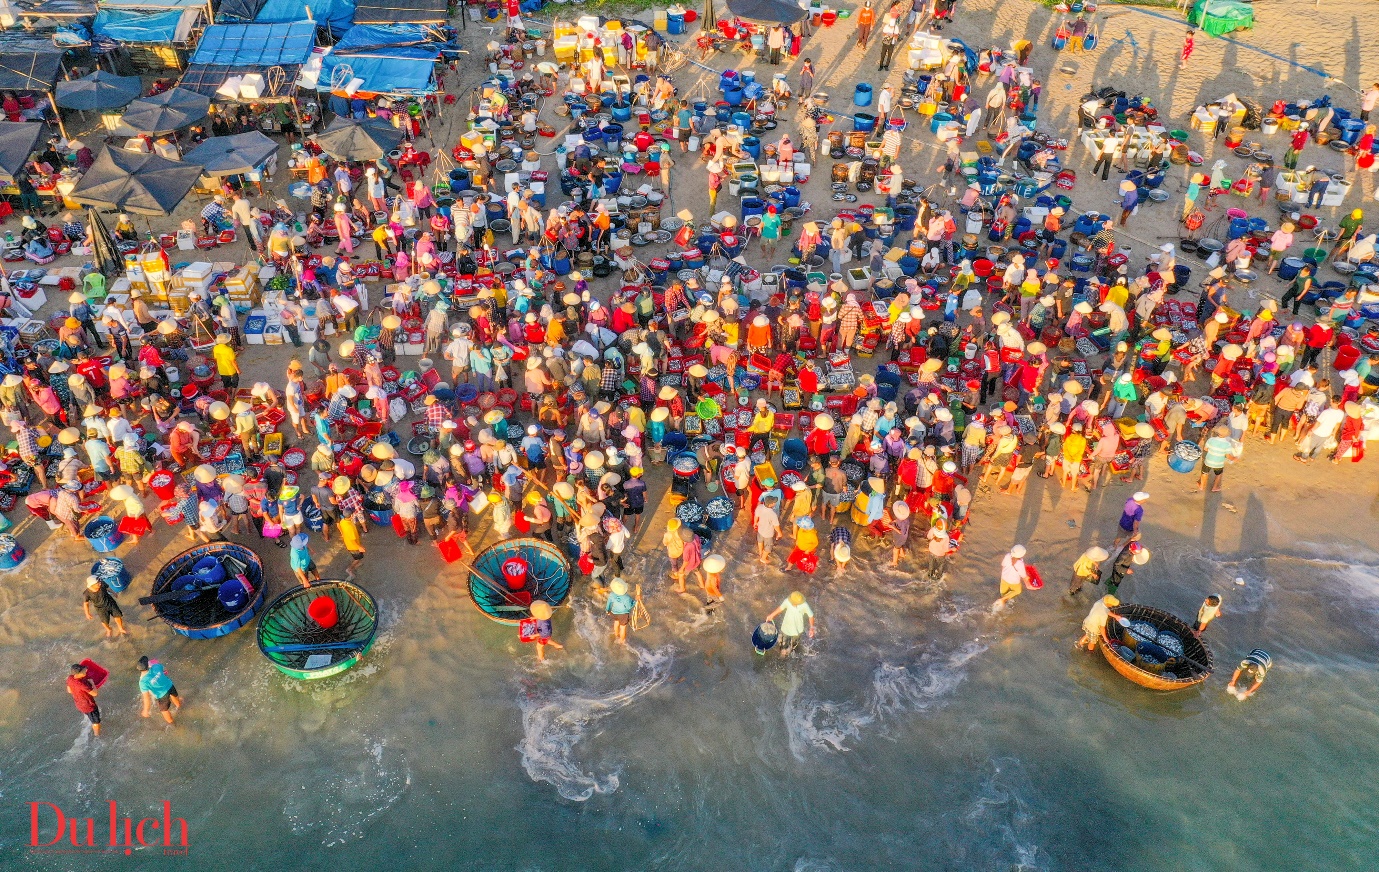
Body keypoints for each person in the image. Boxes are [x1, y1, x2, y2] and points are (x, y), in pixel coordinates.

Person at [764, 590, 815, 658]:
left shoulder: (804, 605)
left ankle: (792, 650)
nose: (792, 603)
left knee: (794, 644)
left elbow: (811, 616)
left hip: (798, 630)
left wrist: (811, 628)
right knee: (783, 644)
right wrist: (771, 615)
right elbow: (780, 608)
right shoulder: (787, 601)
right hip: (786, 628)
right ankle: (783, 654)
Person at [137, 655, 182, 725]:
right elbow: (165, 670)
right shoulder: (156, 666)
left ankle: (172, 723)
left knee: (164, 711)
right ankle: (179, 706)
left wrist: (146, 710)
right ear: (148, 665)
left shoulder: (143, 682)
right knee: (175, 697)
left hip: (162, 695)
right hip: (170, 686)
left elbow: (147, 698)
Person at [1197, 425, 1237, 493]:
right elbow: (1228, 456)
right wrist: (1234, 458)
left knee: (1204, 473)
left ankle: (1202, 485)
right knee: (1218, 475)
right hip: (1219, 463)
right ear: (1226, 435)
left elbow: (1205, 449)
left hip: (1208, 461)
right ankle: (1215, 487)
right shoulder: (1227, 444)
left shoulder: (1211, 439)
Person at [67, 663, 102, 736]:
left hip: (79, 704)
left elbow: (69, 690)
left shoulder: (70, 678)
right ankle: (97, 735)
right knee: (96, 722)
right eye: (84, 671)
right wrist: (92, 683)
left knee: (88, 715)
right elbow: (95, 693)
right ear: (79, 673)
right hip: (89, 706)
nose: (86, 671)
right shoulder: (82, 685)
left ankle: (88, 719)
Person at [605, 578, 634, 645]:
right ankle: (622, 641)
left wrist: (607, 610)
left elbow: (609, 603)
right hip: (623, 615)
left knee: (616, 622)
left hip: (614, 613)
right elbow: (629, 607)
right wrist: (635, 602)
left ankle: (616, 634)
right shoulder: (627, 597)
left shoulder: (612, 594)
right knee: (623, 628)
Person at [754, 494, 782, 565]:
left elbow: (756, 516)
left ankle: (760, 552)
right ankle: (763, 558)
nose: (775, 503)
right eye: (774, 502)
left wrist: (755, 523)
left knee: (760, 541)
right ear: (770, 505)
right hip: (768, 533)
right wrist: (779, 532)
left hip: (760, 530)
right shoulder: (773, 514)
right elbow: (776, 525)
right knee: (768, 546)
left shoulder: (760, 507)